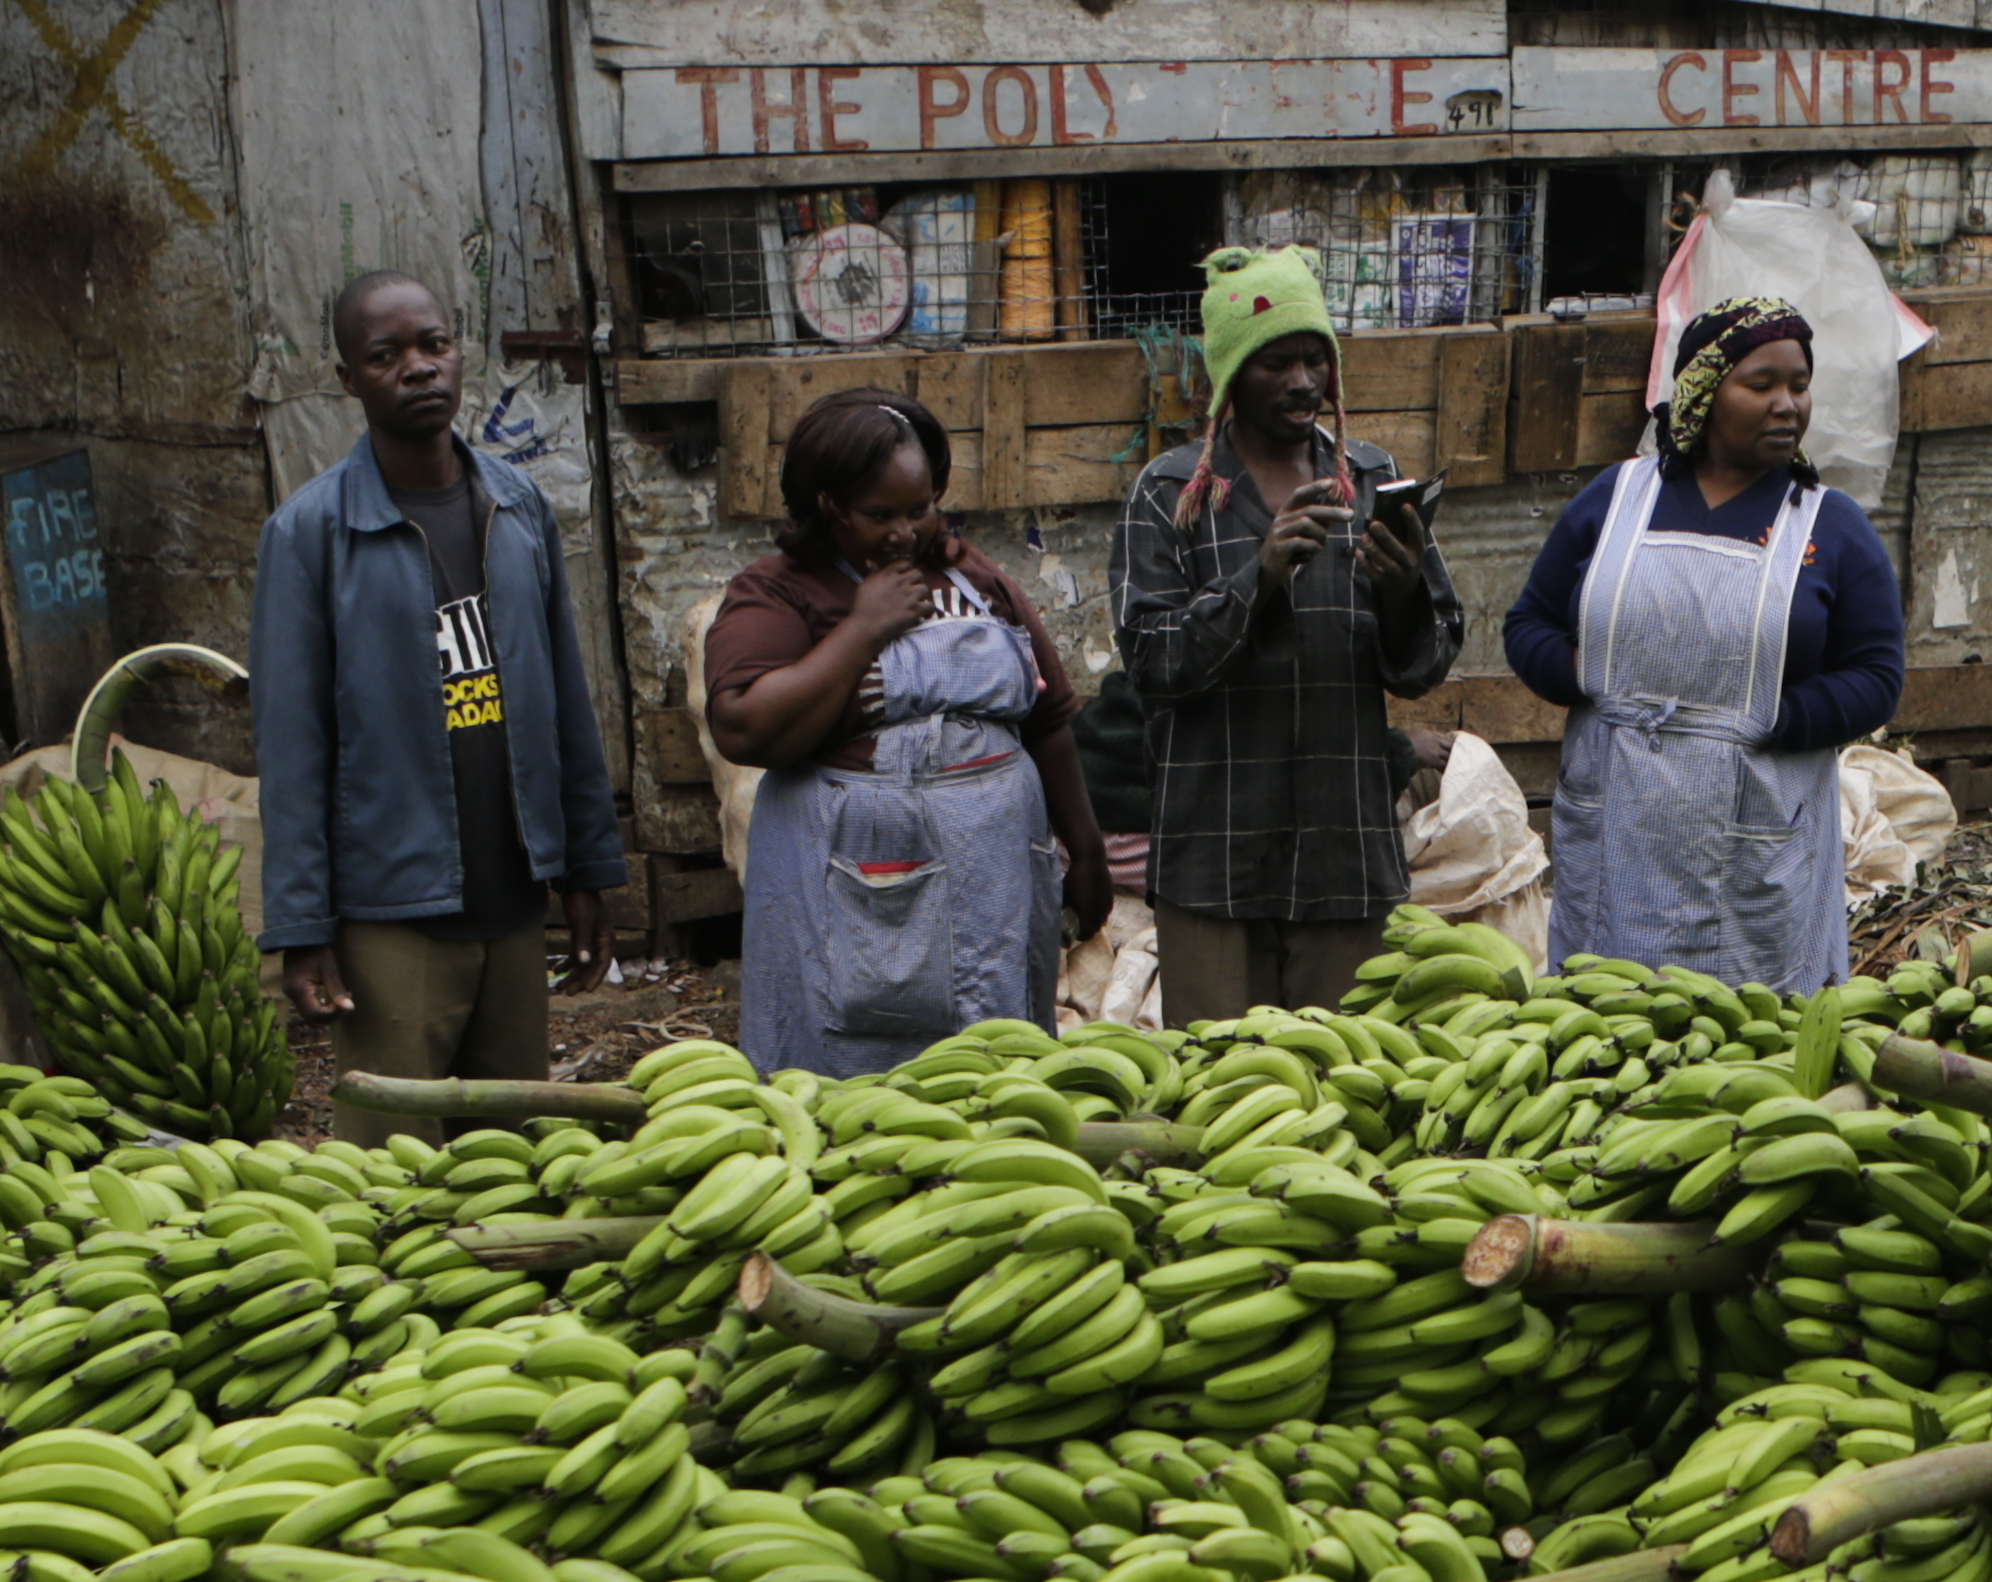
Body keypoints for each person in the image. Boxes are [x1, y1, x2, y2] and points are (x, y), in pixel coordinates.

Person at [252, 271, 625, 1143]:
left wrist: (586, 870)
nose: (418, 368)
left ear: (460, 353)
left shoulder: (516, 505)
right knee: (391, 1163)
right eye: (386, 356)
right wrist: (301, 924)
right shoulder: (312, 535)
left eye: (434, 344)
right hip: (396, 912)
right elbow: (293, 743)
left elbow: (564, 698)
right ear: (349, 378)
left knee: (512, 1149)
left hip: (512, 898)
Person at [1502, 296, 1906, 992]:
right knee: (1605, 1014)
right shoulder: (1617, 498)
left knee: (1750, 1032)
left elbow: (1876, 673)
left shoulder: (1829, 527)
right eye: (1762, 384)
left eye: (1800, 386)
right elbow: (1528, 624)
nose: (1788, 405)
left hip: (1756, 819)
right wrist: (1580, 673)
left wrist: (1782, 718)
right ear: (1703, 390)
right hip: (1619, 812)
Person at [705, 388, 1111, 1074]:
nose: (903, 532)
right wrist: (863, 629)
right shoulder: (779, 592)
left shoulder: (972, 576)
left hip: (994, 886)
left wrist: (1087, 848)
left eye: (919, 509)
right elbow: (745, 728)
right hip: (848, 892)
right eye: (879, 515)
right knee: (847, 1068)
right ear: (828, 504)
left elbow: (1048, 719)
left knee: (991, 1065)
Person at [1113, 247, 1464, 1022]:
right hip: (1216, 863)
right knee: (1220, 1100)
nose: (1304, 381)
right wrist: (1258, 578)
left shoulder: (1371, 481)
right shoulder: (1173, 494)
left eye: (1316, 359)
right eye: (1276, 363)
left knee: (1343, 1099)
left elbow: (1426, 661)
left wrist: (1402, 593)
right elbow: (1151, 660)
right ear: (1230, 376)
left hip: (1345, 859)